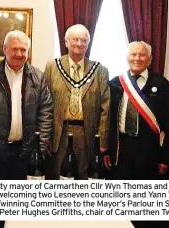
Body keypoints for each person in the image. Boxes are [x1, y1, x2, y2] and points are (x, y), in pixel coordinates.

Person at [0, 30, 53, 228]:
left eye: (23, 49)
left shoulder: (38, 77)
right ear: (4, 49)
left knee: (20, 208)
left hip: (24, 153)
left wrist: (40, 149)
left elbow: (46, 112)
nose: (19, 53)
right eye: (14, 48)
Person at [44, 24, 110, 180]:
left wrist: (103, 141)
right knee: (57, 177)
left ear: (88, 43)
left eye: (83, 40)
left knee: (83, 178)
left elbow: (105, 109)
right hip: (59, 134)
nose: (79, 43)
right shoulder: (52, 66)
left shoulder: (100, 70)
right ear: (66, 42)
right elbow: (44, 104)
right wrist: (45, 136)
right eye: (75, 39)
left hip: (87, 133)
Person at [103, 41, 169, 180]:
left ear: (150, 59)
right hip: (120, 150)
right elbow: (107, 120)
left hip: (149, 151)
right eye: (133, 54)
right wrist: (105, 150)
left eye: (142, 55)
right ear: (127, 57)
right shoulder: (115, 83)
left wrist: (166, 157)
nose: (137, 58)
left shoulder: (161, 84)